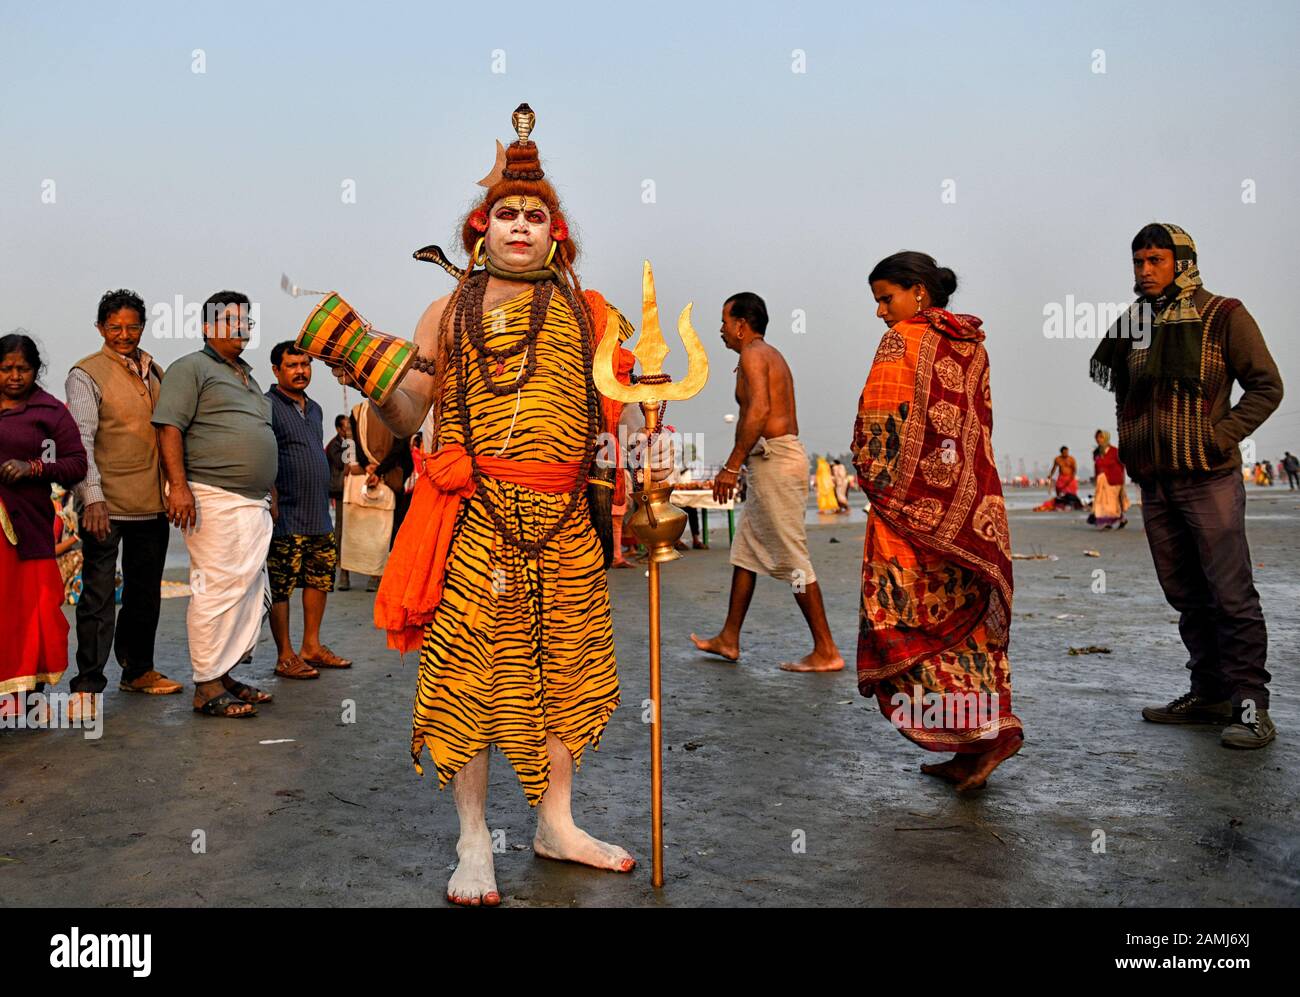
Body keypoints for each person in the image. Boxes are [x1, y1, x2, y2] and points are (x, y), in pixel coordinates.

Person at [331, 105, 666, 906]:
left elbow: (627, 402)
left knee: (565, 675)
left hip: (565, 527)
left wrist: (652, 472)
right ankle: (474, 838)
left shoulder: (592, 315)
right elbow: (406, 417)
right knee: (470, 681)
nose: (521, 224)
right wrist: (370, 381)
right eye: (508, 212)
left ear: (558, 234)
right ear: (483, 228)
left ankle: (556, 821)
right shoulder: (447, 312)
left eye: (536, 214)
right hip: (480, 524)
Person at [1090, 223, 1283, 748]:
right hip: (1156, 483)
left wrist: (1221, 437)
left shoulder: (1224, 315)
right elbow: (1125, 397)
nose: (1145, 271)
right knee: (1186, 595)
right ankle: (1210, 693)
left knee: (1231, 595)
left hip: (1209, 480)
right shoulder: (1133, 324)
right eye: (1137, 262)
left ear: (1183, 261)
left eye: (1155, 260)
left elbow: (1267, 385)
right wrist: (1133, 446)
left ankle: (1250, 709)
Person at [852, 252, 1023, 793]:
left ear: (918, 292)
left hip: (909, 512)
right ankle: (977, 742)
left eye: (887, 298)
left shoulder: (903, 340)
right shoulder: (973, 344)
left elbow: (880, 422)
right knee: (963, 626)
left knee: (899, 615)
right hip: (970, 511)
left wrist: (877, 478)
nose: (881, 312)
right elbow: (978, 423)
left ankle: (978, 742)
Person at [690, 292, 844, 673]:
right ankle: (729, 638)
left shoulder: (755, 354)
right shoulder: (763, 354)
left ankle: (826, 650)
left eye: (725, 321)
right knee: (746, 553)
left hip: (776, 460)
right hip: (768, 462)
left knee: (792, 557)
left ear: (742, 324)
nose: (721, 330)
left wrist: (730, 466)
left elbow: (758, 411)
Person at [151, 291, 277, 719]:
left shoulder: (248, 376)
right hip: (210, 496)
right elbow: (169, 427)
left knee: (245, 590)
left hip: (252, 501)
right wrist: (178, 487)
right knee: (215, 590)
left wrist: (269, 490)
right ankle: (206, 684)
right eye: (230, 322)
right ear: (207, 327)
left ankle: (225, 675)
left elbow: (259, 432)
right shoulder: (191, 368)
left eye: (246, 323)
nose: (240, 331)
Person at [65, 288, 181, 703]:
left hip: (151, 503)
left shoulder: (156, 371)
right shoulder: (86, 373)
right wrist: (92, 499)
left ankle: (139, 670)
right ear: (100, 328)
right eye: (115, 327)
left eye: (132, 326)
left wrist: (174, 487)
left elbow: (170, 433)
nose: (124, 334)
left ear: (143, 327)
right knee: (98, 595)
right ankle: (88, 684)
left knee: (144, 592)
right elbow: (80, 440)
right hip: (105, 504)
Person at [0, 333, 87, 713]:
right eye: (5, 369)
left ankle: (20, 697)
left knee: (28, 610)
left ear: (37, 370)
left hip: (26, 527)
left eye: (23, 369)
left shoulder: (49, 411)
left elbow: (76, 463)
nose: (14, 376)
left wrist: (33, 467)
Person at [265, 341, 352, 679]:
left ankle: (311, 646)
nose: (301, 371)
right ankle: (285, 654)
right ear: (276, 370)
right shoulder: (267, 405)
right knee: (282, 586)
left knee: (319, 579)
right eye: (292, 365)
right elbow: (265, 453)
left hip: (318, 514)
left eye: (305, 364)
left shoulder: (315, 409)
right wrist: (270, 497)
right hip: (285, 513)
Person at [325, 413, 354, 590]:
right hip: (339, 489)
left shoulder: (345, 443)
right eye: (345, 428)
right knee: (341, 527)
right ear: (338, 429)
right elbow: (340, 462)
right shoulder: (334, 446)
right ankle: (338, 558)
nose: (348, 431)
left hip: (349, 489)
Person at [1090, 429, 1129, 529]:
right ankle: (1118, 519)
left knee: (1112, 502)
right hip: (1101, 481)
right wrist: (1095, 478)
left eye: (1101, 437)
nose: (1098, 440)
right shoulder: (1096, 453)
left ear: (1106, 438)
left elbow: (1122, 465)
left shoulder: (1115, 451)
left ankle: (1111, 521)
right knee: (1102, 502)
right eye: (1097, 437)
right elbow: (1096, 466)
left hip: (1114, 480)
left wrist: (1122, 479)